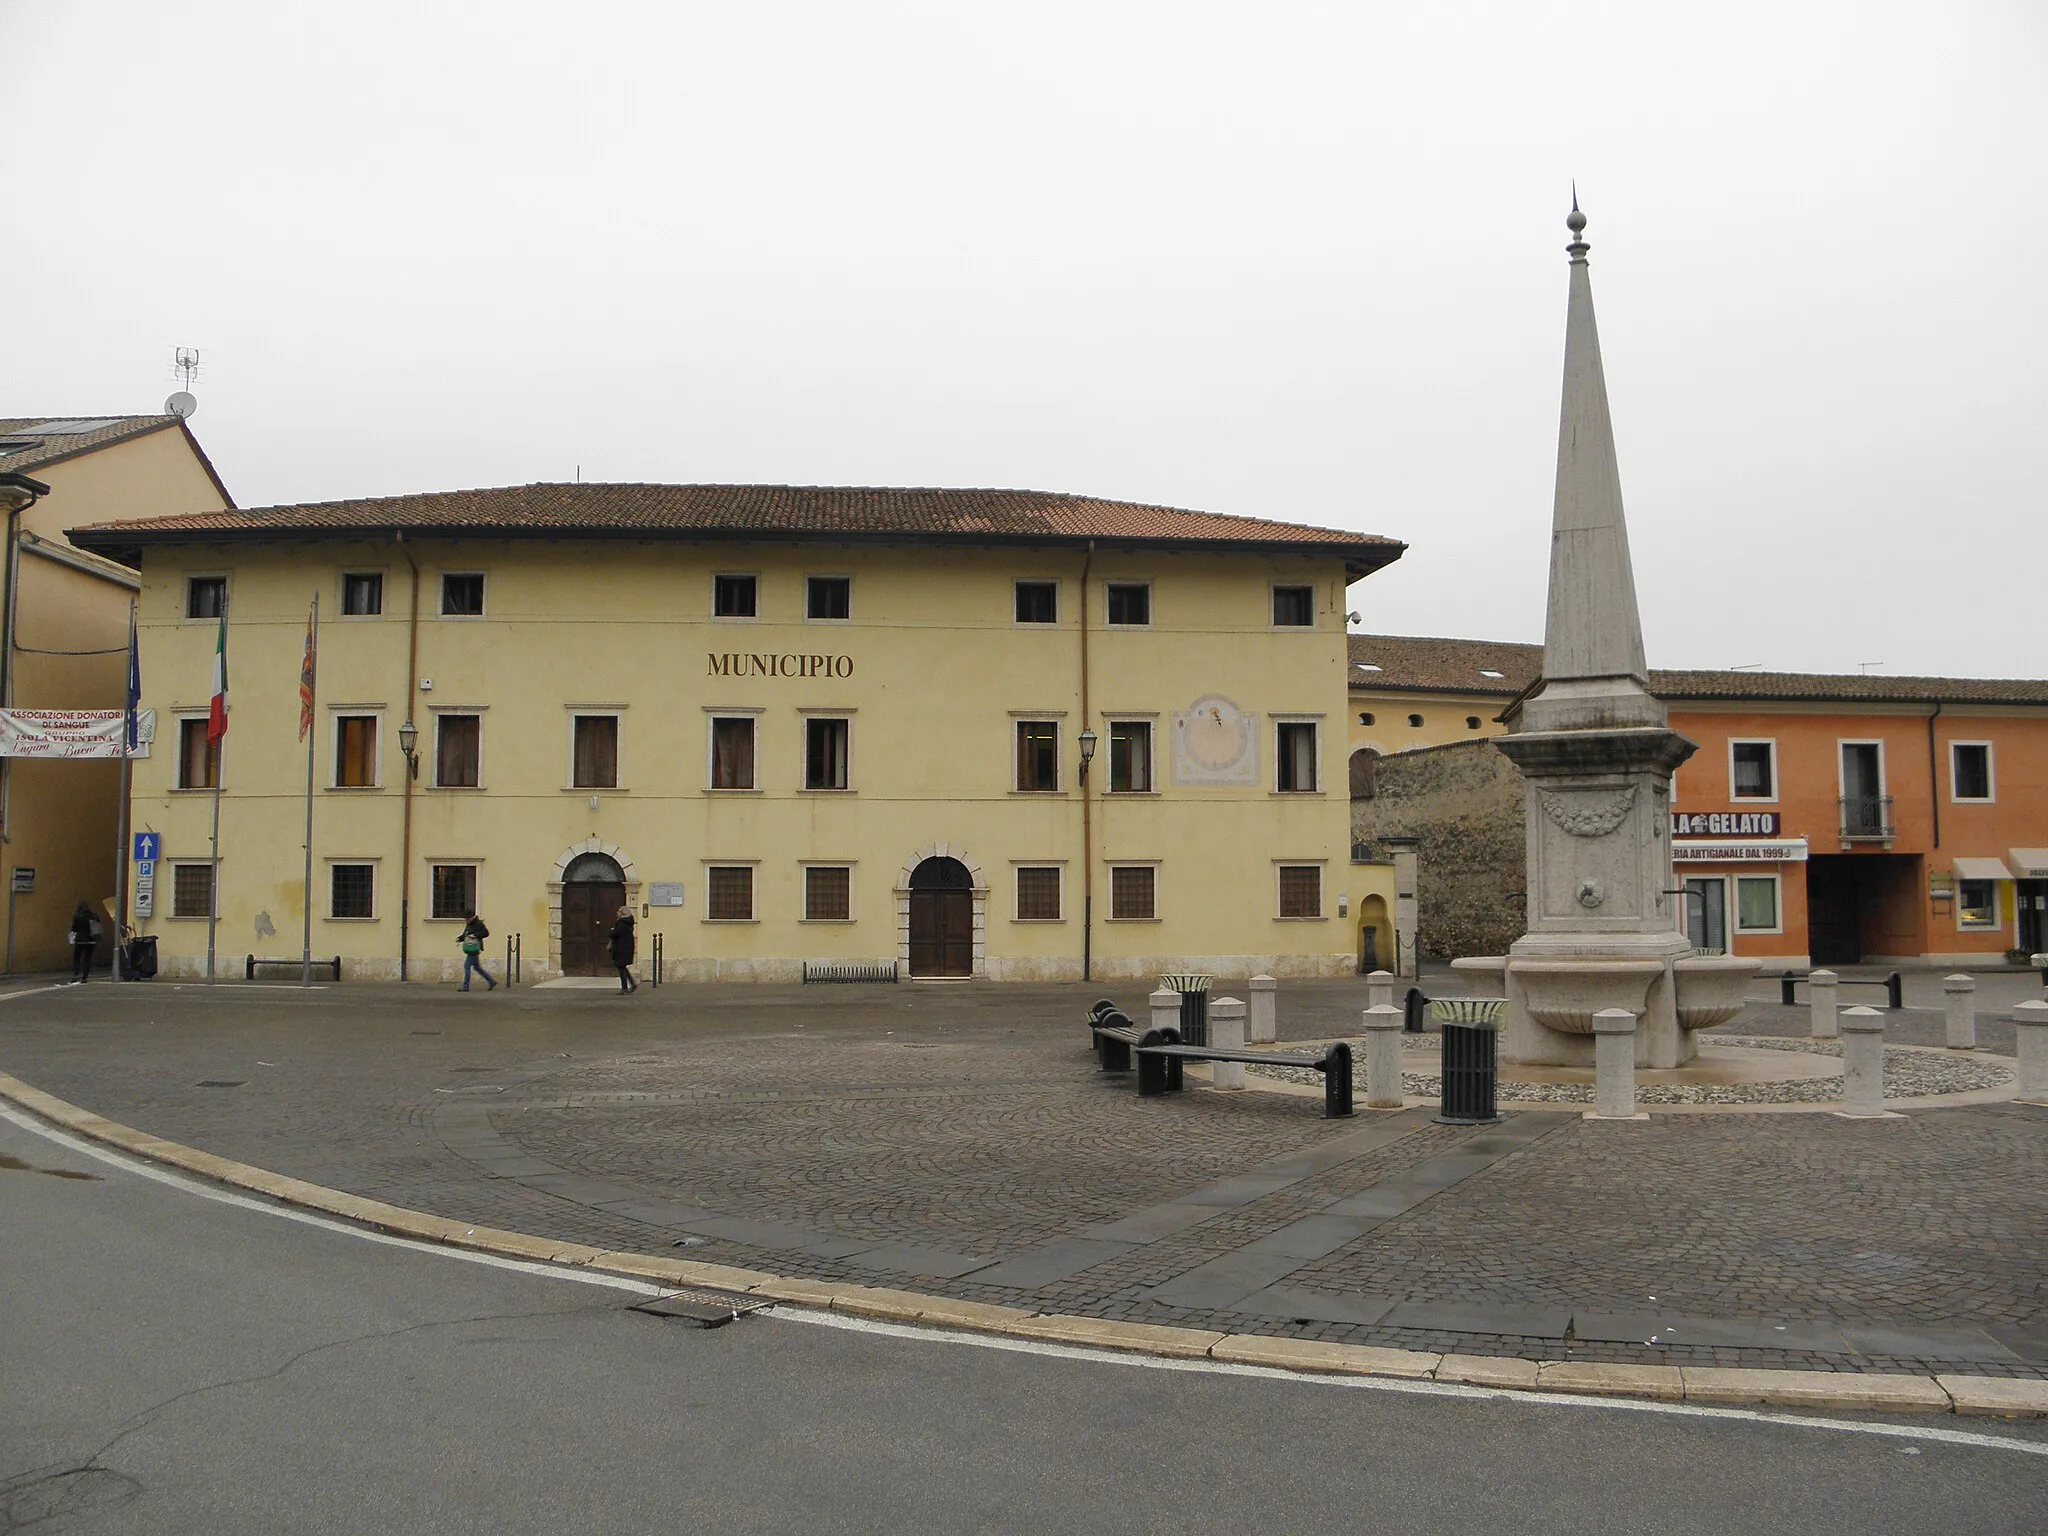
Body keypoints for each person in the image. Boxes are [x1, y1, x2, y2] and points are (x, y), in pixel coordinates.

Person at [457, 911, 496, 991]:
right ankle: (491, 981)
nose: (466, 920)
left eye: (467, 918)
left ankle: (465, 987)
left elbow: (486, 933)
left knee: (467, 966)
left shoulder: (478, 924)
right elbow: (466, 934)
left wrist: (475, 935)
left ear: (472, 917)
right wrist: (460, 938)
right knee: (477, 968)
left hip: (474, 948)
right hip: (470, 947)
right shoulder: (469, 924)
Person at [68, 901, 100, 984]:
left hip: (80, 940)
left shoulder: (77, 917)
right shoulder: (94, 916)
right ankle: (84, 977)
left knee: (77, 957)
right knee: (87, 958)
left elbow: (74, 929)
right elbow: (98, 926)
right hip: (91, 940)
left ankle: (76, 974)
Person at [607, 905, 638, 994]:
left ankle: (625, 987)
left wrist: (611, 931)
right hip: (626, 948)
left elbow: (615, 933)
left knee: (621, 967)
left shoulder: (622, 923)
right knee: (622, 967)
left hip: (621, 948)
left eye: (619, 911)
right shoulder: (628, 922)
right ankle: (632, 984)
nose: (617, 913)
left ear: (623, 913)